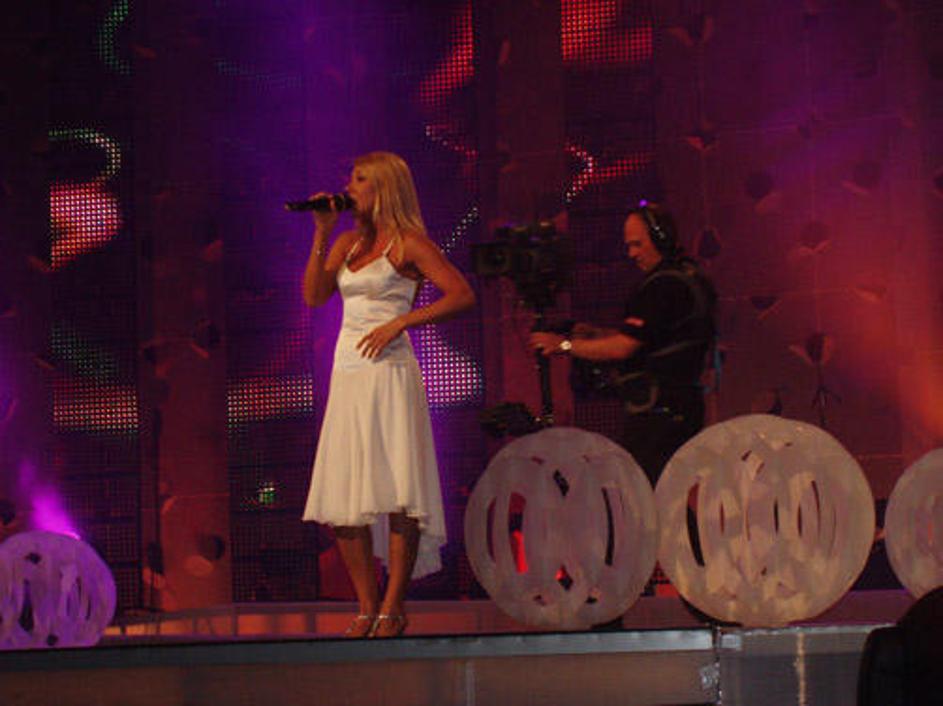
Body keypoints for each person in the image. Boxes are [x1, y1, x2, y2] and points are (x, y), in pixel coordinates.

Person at [301, 151, 475, 638]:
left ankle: (394, 604)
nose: (348, 186)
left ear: (383, 189)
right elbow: (314, 296)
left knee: (400, 490)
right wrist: (321, 232)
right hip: (349, 374)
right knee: (344, 494)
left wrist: (402, 322)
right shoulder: (347, 243)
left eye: (359, 179)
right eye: (350, 177)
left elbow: (461, 294)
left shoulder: (409, 243)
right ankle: (366, 604)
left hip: (391, 373)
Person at [530, 202, 716, 486]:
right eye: (628, 246)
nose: (631, 254)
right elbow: (652, 339)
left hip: (658, 416)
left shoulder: (662, 286)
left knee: (642, 493)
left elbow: (623, 348)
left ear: (660, 238)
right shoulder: (690, 277)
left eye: (637, 244)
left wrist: (564, 345)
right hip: (683, 408)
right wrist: (596, 335)